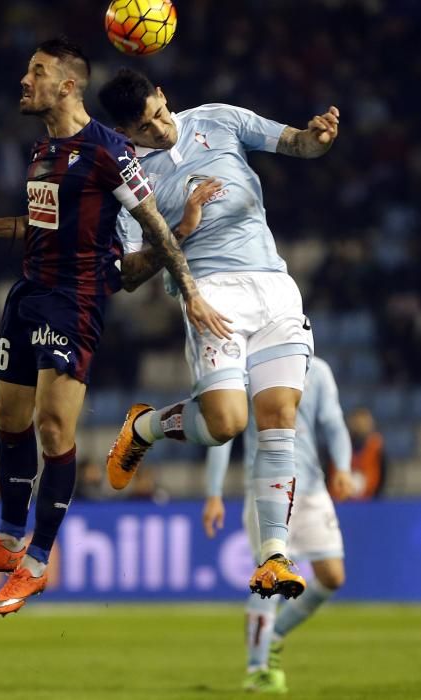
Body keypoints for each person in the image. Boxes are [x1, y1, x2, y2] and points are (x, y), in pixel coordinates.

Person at [0, 38, 229, 617]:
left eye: (38, 72)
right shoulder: (43, 148)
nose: (25, 81)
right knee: (8, 418)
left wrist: (192, 290)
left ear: (68, 85)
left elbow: (151, 223)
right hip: (27, 293)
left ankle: (36, 563)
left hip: (74, 301)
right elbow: (45, 224)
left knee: (54, 428)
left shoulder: (108, 150)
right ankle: (5, 542)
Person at [99, 68, 339, 598]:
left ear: (164, 94)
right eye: (145, 127)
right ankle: (145, 429)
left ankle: (273, 557)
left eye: (160, 113)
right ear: (125, 132)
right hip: (211, 293)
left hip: (274, 285)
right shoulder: (125, 176)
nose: (161, 129)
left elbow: (295, 143)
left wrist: (317, 138)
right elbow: (127, 277)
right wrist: (180, 228)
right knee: (228, 422)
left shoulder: (219, 119)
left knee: (280, 419)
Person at [203, 357, 354, 693]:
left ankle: (275, 635)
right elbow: (224, 433)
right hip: (267, 492)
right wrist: (214, 493)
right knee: (269, 578)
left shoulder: (319, 370)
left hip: (312, 488)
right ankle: (258, 668)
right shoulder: (248, 370)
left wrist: (342, 466)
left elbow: (333, 423)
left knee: (332, 576)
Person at [345, 407, 386, 499]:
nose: (361, 425)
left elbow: (383, 475)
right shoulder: (341, 446)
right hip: (344, 499)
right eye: (357, 422)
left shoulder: (377, 446)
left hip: (370, 499)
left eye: (364, 421)